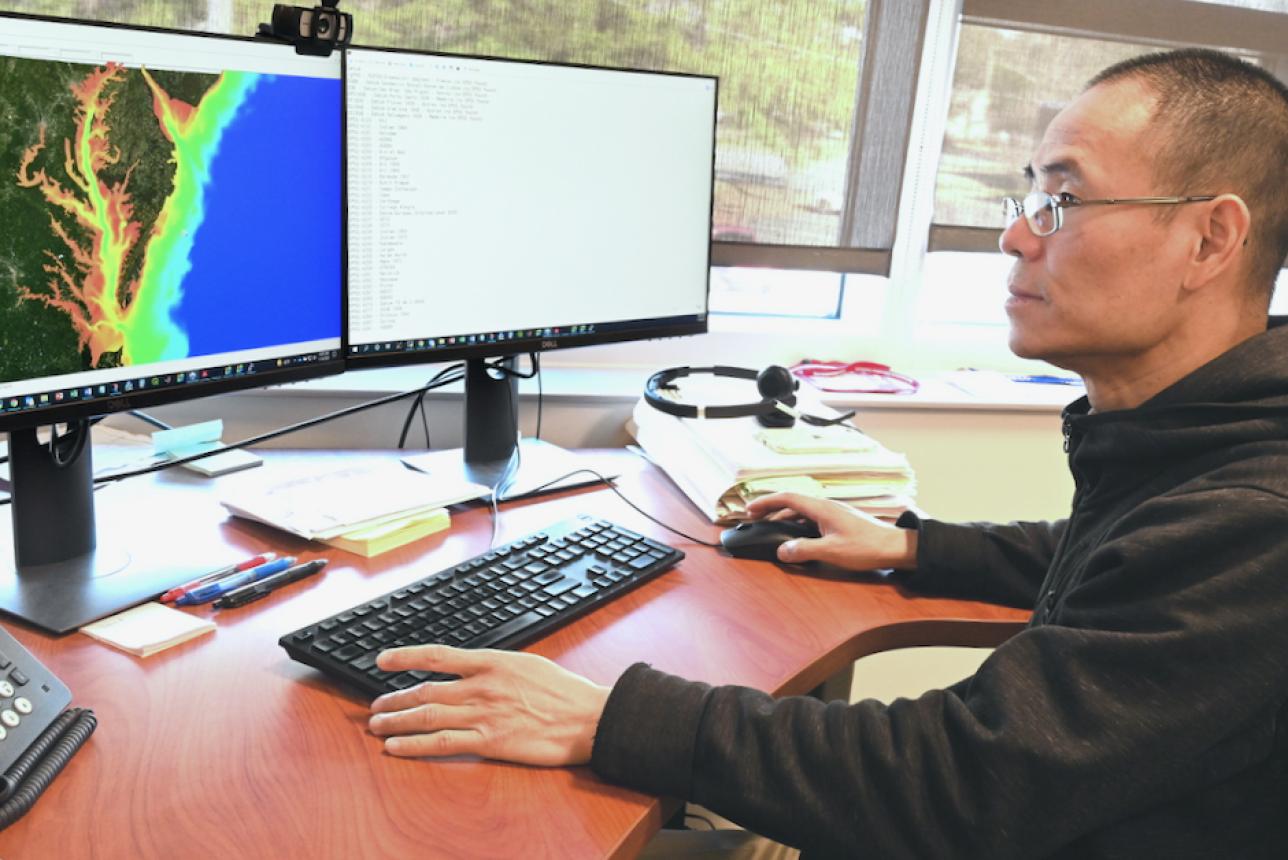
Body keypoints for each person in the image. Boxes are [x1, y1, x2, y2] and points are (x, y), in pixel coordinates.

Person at [367, 48, 1288, 858]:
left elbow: (962, 782)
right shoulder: (1196, 446)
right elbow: (1128, 567)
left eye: (1064, 200)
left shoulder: (1255, 519)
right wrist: (912, 545)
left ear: (1210, 240)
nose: (1015, 235)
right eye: (1030, 197)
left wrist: (610, 715)